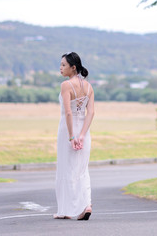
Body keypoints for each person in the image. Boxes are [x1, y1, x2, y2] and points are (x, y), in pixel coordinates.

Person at [54, 52, 95, 220]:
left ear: (73, 67)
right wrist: (82, 135)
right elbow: (91, 112)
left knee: (67, 169)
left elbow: (69, 113)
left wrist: (72, 137)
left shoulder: (66, 85)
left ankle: (71, 210)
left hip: (67, 130)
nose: (60, 68)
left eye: (64, 65)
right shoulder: (89, 87)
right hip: (84, 130)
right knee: (82, 169)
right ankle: (86, 205)